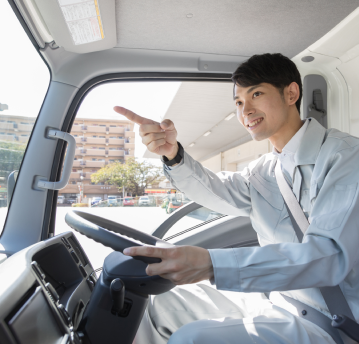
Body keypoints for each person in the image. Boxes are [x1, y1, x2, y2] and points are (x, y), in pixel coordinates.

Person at [114, 53, 359, 344]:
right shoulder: (266, 170)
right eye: (239, 102)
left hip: (332, 322)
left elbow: (327, 257)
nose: (246, 110)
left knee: (193, 338)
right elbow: (215, 190)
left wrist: (211, 264)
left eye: (256, 94)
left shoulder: (345, 157)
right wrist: (173, 154)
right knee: (158, 305)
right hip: (278, 301)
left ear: (291, 93)